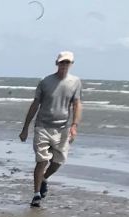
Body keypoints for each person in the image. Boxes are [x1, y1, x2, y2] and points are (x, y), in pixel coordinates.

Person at [21, 51, 81, 206]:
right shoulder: (45, 81)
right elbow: (35, 104)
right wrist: (25, 127)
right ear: (57, 63)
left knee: (58, 162)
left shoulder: (75, 82)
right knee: (42, 160)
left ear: (71, 64)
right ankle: (36, 195)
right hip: (43, 126)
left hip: (63, 128)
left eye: (67, 63)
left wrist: (74, 126)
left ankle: (44, 179)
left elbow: (77, 104)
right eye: (62, 63)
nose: (64, 66)